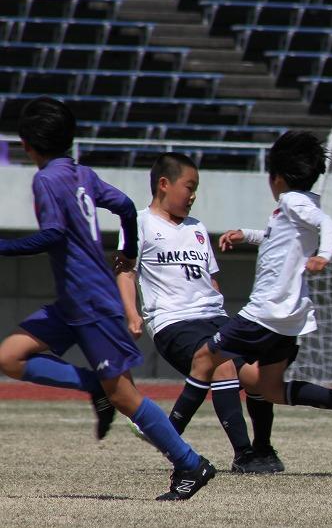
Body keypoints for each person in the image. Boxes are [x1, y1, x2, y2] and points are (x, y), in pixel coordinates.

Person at [0, 96, 215, 500]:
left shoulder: (46, 179)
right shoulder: (82, 173)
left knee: (124, 395)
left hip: (92, 300)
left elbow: (55, 234)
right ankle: (94, 387)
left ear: (27, 145)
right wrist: (129, 248)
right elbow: (125, 206)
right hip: (75, 300)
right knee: (10, 357)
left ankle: (191, 464)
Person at [167, 131, 332, 450]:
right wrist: (245, 235)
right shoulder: (295, 206)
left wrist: (322, 256)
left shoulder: (291, 202)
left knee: (206, 357)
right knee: (270, 389)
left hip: (265, 311)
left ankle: (167, 431)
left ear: (275, 178)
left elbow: (328, 225)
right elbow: (276, 239)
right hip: (288, 318)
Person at [114, 152, 280, 474]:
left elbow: (209, 277)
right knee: (220, 365)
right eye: (189, 186)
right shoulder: (138, 223)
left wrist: (219, 301)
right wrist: (132, 314)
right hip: (174, 321)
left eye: (196, 188)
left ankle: (262, 448)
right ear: (164, 184)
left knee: (259, 375)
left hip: (213, 317)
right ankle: (244, 455)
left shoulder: (197, 227)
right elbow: (125, 271)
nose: (193, 195)